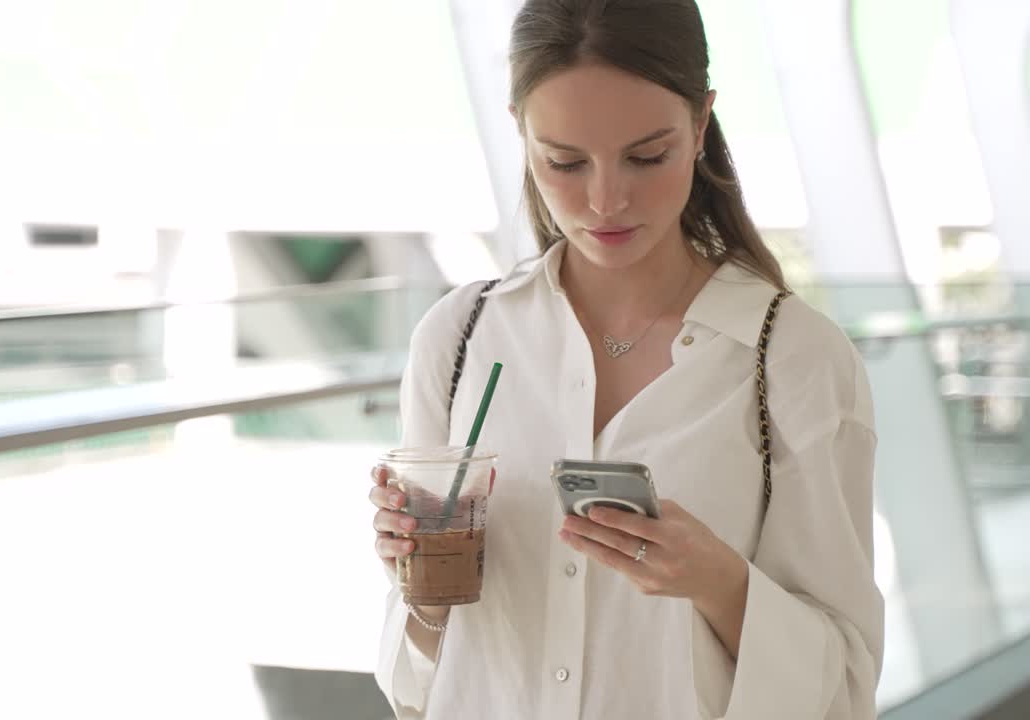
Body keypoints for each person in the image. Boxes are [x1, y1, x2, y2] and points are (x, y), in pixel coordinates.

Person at [368, 1, 884, 718]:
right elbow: (425, 682)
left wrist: (720, 582)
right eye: (565, 162)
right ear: (520, 132)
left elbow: (846, 687)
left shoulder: (792, 359)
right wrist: (421, 588)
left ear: (700, 126)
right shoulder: (457, 339)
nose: (606, 200)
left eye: (647, 157)